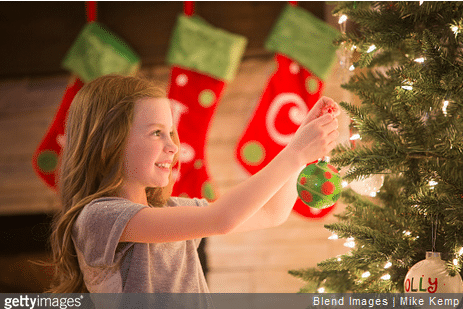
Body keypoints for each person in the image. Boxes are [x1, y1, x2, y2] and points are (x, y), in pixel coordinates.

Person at [47, 74, 340, 294]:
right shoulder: (99, 218)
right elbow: (222, 218)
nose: (173, 146)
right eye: (156, 133)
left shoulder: (173, 209)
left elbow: (272, 213)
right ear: (110, 141)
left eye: (171, 132)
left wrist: (301, 147)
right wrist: (295, 152)